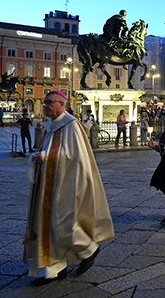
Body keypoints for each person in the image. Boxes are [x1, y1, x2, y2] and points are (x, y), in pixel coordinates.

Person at [24, 91, 114, 286]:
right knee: (47, 225)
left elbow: (76, 157)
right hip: (50, 180)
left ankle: (89, 249)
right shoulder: (52, 124)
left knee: (62, 223)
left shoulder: (71, 125)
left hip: (67, 183)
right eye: (45, 102)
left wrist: (47, 158)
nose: (45, 105)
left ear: (61, 105)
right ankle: (55, 269)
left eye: (49, 103)